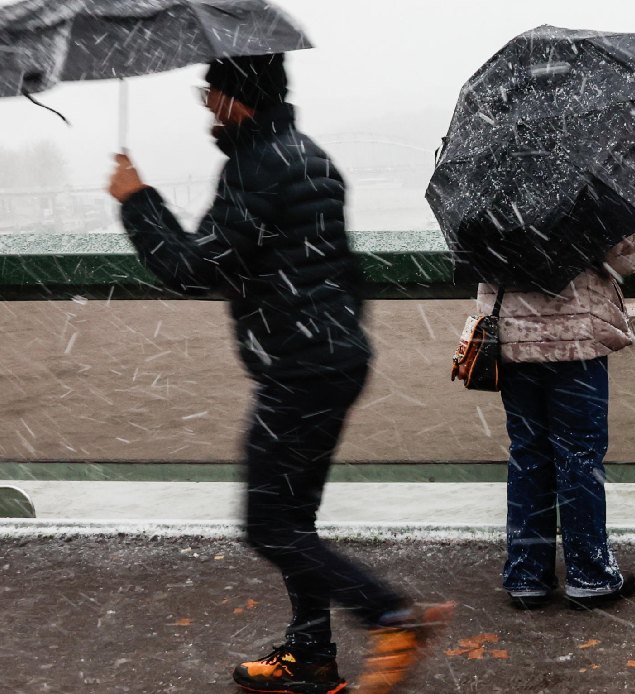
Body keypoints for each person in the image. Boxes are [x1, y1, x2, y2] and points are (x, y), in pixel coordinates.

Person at [107, 54, 452, 694]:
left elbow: (193, 270)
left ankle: (391, 615)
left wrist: (137, 203)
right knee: (293, 520)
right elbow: (332, 267)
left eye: (208, 91)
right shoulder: (309, 156)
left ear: (235, 97)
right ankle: (310, 655)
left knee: (268, 524)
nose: (204, 103)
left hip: (299, 368)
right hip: (335, 356)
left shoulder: (256, 167)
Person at [460, 235, 635, 610]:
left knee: (528, 455)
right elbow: (622, 262)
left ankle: (527, 576)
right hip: (576, 343)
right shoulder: (583, 192)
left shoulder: (488, 196)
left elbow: (476, 262)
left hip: (514, 343)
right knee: (579, 457)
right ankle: (591, 575)